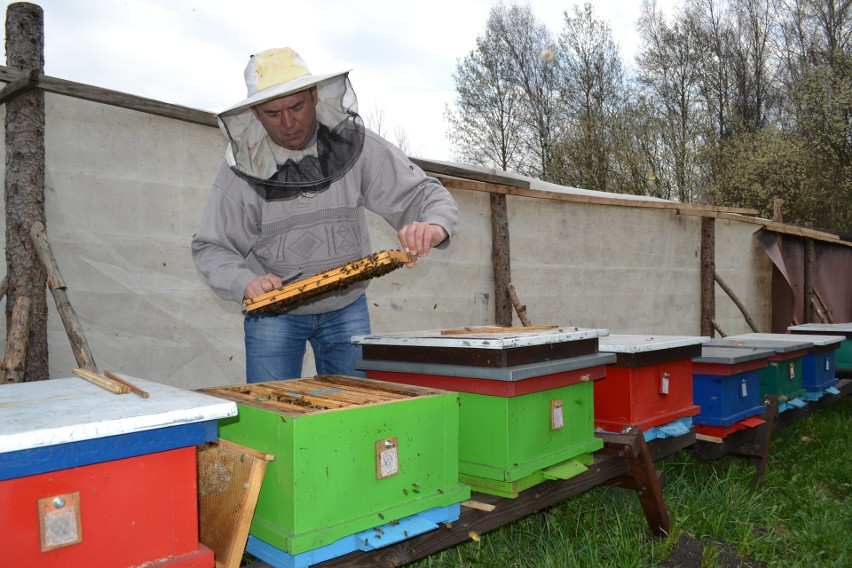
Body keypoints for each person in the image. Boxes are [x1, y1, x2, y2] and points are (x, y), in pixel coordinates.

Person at [192, 47, 459, 382]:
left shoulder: (355, 146)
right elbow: (212, 247)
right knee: (274, 419)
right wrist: (247, 282)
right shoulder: (241, 168)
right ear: (256, 114)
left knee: (353, 419)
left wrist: (433, 226)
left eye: (297, 107)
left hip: (346, 308)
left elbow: (426, 194)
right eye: (273, 113)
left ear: (315, 95)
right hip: (274, 314)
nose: (288, 122)